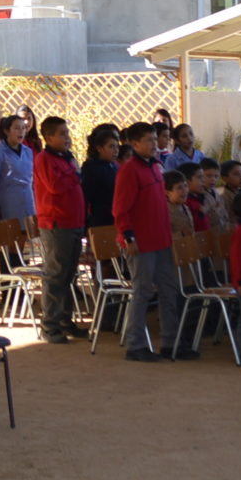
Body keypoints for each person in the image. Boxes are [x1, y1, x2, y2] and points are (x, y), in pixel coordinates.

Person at [113, 122, 174, 363]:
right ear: (134, 144)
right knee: (142, 292)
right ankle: (135, 344)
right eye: (147, 140)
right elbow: (120, 208)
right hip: (141, 242)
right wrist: (129, 236)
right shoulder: (130, 170)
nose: (153, 143)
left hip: (161, 239)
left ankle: (170, 342)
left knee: (169, 291)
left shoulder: (156, 167)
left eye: (153, 138)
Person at [32, 115, 85, 344]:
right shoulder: (44, 159)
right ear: (49, 137)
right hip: (56, 224)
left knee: (69, 274)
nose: (67, 137)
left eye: (67, 132)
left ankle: (65, 319)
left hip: (73, 222)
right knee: (55, 275)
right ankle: (50, 325)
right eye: (62, 133)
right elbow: (55, 187)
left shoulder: (66, 158)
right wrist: (73, 173)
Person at [0, 115, 35, 224]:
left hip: (28, 200)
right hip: (8, 202)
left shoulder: (28, 151)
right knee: (12, 237)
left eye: (23, 128)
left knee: (31, 237)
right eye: (16, 128)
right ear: (7, 131)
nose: (21, 132)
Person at [79, 123, 120, 231]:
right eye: (111, 147)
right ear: (99, 148)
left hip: (115, 216)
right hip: (100, 220)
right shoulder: (91, 168)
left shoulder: (114, 166)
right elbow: (86, 197)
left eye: (117, 147)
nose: (116, 151)